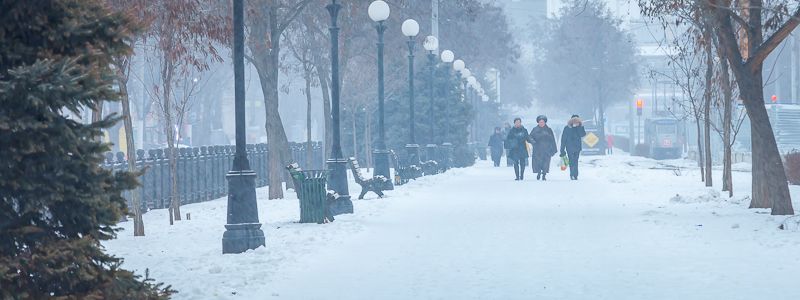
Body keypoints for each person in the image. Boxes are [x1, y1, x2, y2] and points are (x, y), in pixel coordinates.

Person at [528, 115, 557, 181]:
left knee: (546, 162)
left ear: (545, 122)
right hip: (537, 149)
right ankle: (538, 172)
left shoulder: (549, 130)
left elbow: (552, 139)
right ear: (538, 122)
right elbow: (530, 137)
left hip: (547, 149)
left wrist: (553, 149)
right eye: (540, 122)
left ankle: (544, 174)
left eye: (543, 122)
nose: (541, 123)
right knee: (538, 162)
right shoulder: (535, 129)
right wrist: (533, 142)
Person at [560, 115, 586, 180]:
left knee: (575, 160)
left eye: (577, 120)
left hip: (577, 148)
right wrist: (562, 149)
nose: (575, 122)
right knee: (571, 161)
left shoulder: (579, 127)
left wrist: (580, 126)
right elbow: (563, 139)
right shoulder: (567, 128)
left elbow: (583, 134)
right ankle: (572, 174)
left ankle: (575, 174)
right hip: (569, 147)